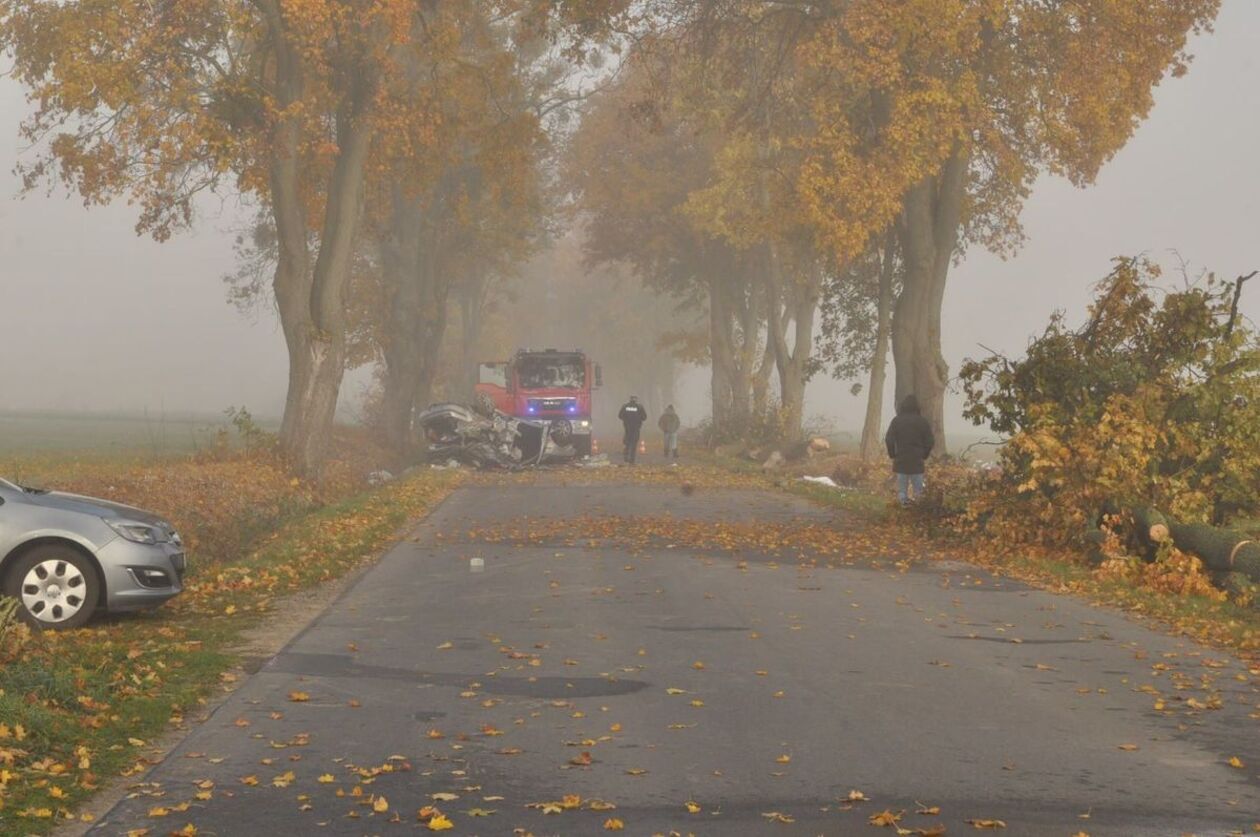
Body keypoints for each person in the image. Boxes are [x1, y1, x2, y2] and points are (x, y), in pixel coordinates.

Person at [884, 394, 934, 506]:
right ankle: (917, 511)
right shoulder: (922, 422)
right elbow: (930, 441)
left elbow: (889, 439)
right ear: (917, 407)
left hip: (901, 459)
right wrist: (924, 455)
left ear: (903, 406)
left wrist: (892, 454)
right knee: (918, 490)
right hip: (917, 460)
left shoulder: (896, 421)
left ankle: (904, 508)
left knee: (902, 490)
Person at [618, 396, 648, 464]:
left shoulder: (625, 406)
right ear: (636, 399)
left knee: (627, 442)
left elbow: (620, 416)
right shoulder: (639, 407)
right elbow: (644, 417)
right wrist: (638, 419)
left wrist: (626, 419)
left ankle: (626, 454)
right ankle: (632, 459)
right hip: (636, 428)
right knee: (634, 444)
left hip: (627, 428)